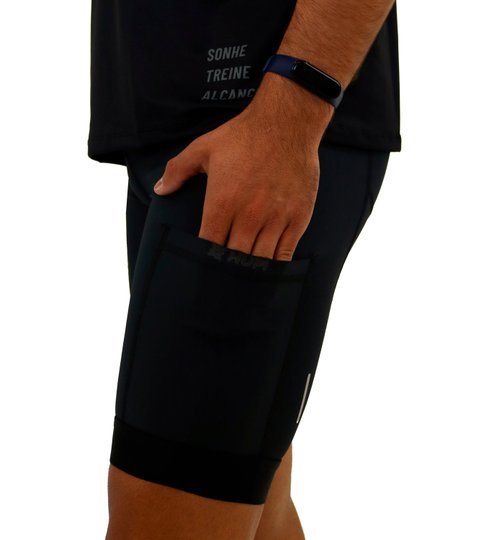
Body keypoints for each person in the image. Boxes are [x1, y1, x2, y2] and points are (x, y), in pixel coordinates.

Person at [87, 0, 402, 538]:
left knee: (164, 500)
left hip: (264, 117)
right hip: (172, 126)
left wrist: (295, 102)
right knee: (248, 503)